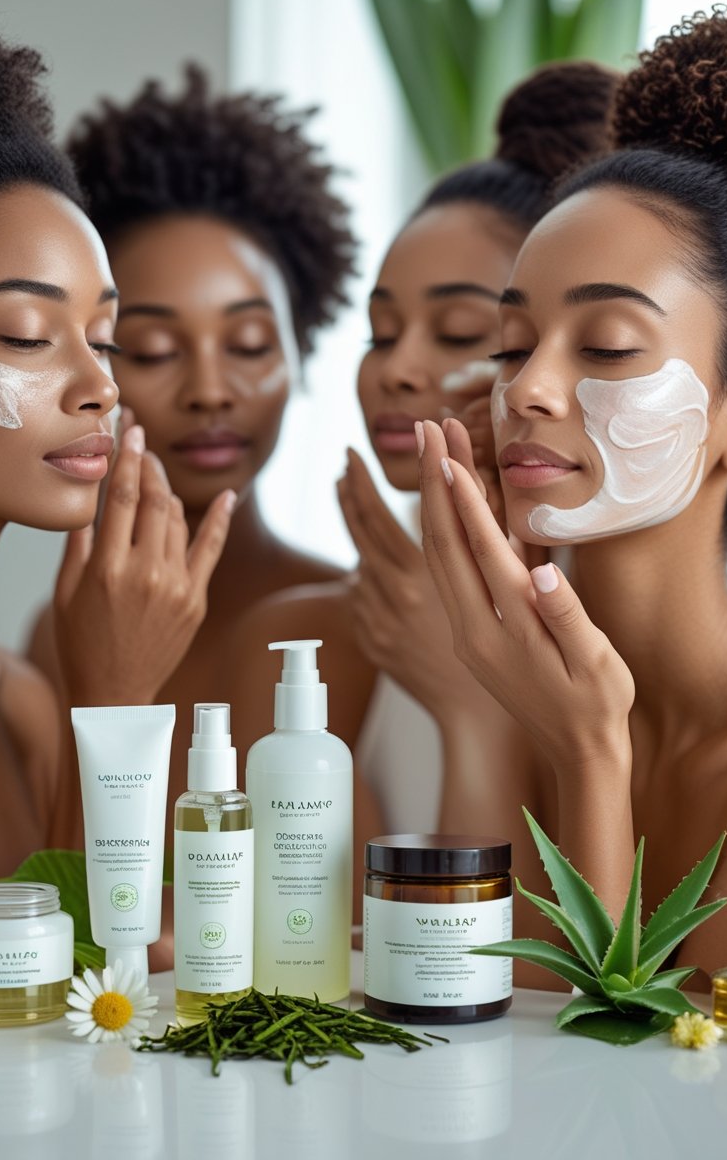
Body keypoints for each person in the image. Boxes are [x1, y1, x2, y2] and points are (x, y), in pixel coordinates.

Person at [0, 25, 228, 966]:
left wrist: (97, 702)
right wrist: (120, 694)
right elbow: (11, 996)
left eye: (106, 337)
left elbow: (108, 994)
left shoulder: (24, 704)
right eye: (27, 335)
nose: (101, 385)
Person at [418, 8, 727, 981]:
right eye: (511, 347)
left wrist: (591, 759)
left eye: (605, 347)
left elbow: (622, 1107)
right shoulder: (521, 694)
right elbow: (472, 1037)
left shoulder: (567, 720)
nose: (527, 389)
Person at [26, 66, 384, 881]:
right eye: (150, 350)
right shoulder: (56, 637)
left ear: (301, 349)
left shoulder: (355, 624)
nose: (212, 390)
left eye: (252, 345)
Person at [244, 62, 618, 836]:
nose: (397, 369)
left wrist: (472, 707)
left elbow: (561, 959)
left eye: (458, 334)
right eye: (380, 334)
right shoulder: (321, 642)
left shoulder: (620, 639)